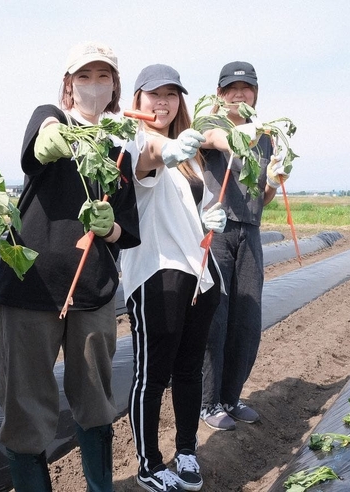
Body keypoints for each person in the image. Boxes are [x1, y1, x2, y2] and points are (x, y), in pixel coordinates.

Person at [0, 42, 141, 492]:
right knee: (24, 408)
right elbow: (42, 137)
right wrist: (52, 135)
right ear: (68, 85)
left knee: (95, 402)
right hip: (31, 287)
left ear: (114, 88)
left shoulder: (118, 153)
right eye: (84, 77)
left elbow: (128, 231)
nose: (93, 85)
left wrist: (110, 227)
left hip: (93, 292)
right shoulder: (50, 119)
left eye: (103, 77)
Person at [121, 64, 225, 492]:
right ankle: (148, 464)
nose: (162, 102)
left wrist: (209, 218)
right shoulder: (132, 143)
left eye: (171, 94)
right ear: (138, 100)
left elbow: (192, 207)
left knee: (188, 370)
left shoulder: (191, 157)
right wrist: (167, 148)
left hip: (198, 275)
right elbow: (150, 155)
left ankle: (186, 451)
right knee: (152, 376)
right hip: (156, 273)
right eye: (153, 94)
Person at [199, 61, 290, 431]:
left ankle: (230, 397)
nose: (239, 94)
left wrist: (274, 181)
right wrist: (238, 136)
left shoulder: (267, 138)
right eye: (231, 88)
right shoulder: (208, 124)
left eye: (246, 88)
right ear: (220, 94)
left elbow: (262, 198)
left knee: (247, 322)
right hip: (217, 232)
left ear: (255, 93)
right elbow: (210, 139)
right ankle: (207, 404)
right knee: (215, 319)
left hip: (250, 232)